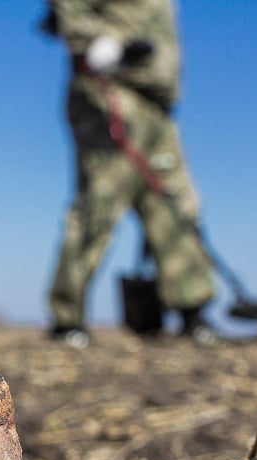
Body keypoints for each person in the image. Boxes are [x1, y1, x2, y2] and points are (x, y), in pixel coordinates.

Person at [43, 0, 221, 348]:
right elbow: (70, 12)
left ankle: (193, 313)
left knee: (175, 205)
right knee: (99, 205)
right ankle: (68, 321)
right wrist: (104, 46)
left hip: (157, 106)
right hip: (110, 92)